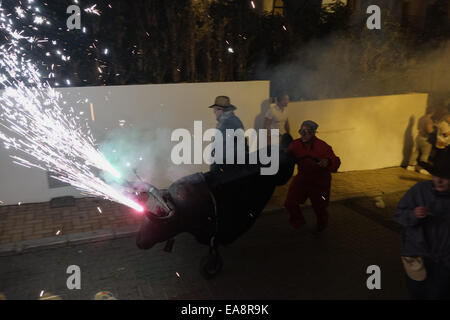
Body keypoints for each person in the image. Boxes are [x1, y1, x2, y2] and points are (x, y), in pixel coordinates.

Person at [395, 151, 450, 299]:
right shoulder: (420, 190)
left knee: (438, 293)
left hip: (445, 259)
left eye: (445, 177)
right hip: (416, 254)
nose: (438, 181)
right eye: (436, 175)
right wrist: (413, 215)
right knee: (417, 292)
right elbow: (399, 215)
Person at [284, 120, 340, 232]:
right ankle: (299, 222)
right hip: (302, 178)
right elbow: (286, 156)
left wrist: (327, 161)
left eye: (307, 131)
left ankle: (321, 225)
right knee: (290, 202)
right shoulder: (295, 145)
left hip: (319, 181)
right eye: (301, 131)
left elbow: (335, 161)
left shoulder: (322, 146)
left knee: (320, 206)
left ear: (314, 133)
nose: (303, 134)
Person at [209, 96, 245, 172]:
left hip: (227, 166)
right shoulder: (232, 120)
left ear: (221, 110)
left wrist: (215, 168)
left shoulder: (226, 123)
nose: (214, 112)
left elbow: (222, 148)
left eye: (215, 109)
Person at [407, 108, 437, 175]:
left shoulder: (421, 118)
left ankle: (410, 166)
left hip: (419, 137)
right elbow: (429, 131)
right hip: (425, 139)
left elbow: (418, 128)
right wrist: (435, 130)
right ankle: (422, 168)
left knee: (416, 152)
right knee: (425, 154)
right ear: (432, 112)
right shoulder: (429, 120)